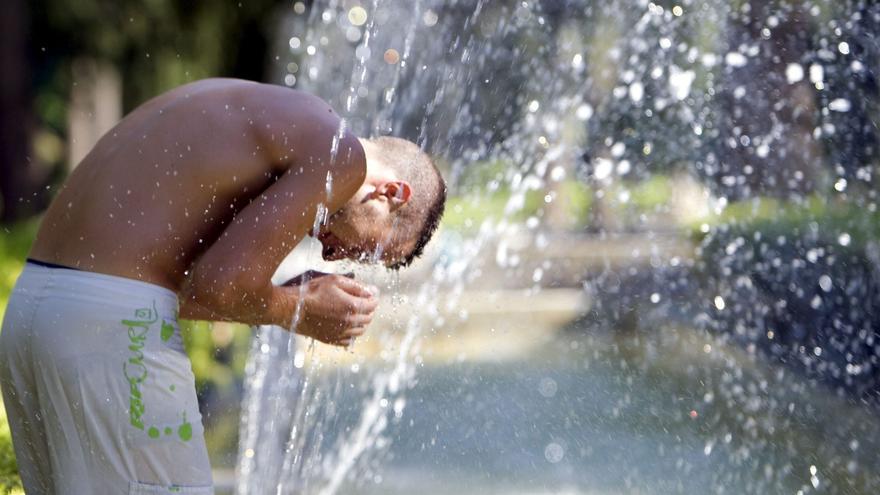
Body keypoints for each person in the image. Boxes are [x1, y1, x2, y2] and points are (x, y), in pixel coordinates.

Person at [0, 78, 446, 494]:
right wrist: (300, 309)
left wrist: (285, 296)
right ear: (391, 193)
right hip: (113, 334)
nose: (334, 256)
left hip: (38, 314)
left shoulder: (276, 117)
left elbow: (192, 292)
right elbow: (220, 287)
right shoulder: (341, 156)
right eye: (366, 250)